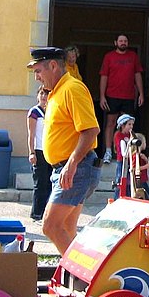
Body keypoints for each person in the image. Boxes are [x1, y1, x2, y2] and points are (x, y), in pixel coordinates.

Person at [27, 47, 102, 255]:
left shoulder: (72, 88)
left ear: (53, 65)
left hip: (76, 168)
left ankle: (82, 276)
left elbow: (91, 130)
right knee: (66, 229)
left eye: (38, 71)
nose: (37, 77)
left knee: (50, 226)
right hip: (67, 169)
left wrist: (71, 164)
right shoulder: (57, 92)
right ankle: (81, 274)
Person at [99, 33, 144, 163]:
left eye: (125, 41)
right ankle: (108, 151)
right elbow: (104, 77)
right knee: (111, 123)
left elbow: (137, 75)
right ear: (115, 43)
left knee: (128, 125)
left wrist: (141, 93)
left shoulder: (133, 57)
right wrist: (102, 96)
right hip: (112, 95)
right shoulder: (109, 57)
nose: (123, 43)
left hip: (128, 96)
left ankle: (128, 152)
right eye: (120, 41)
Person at [27, 86, 52, 221]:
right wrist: (31, 152)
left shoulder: (52, 111)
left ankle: (46, 215)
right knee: (40, 184)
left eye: (46, 94)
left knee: (50, 184)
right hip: (39, 150)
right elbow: (31, 135)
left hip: (51, 151)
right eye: (42, 94)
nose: (44, 97)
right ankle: (36, 214)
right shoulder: (34, 112)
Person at [113, 113, 135, 199]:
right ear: (122, 125)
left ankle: (128, 197)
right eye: (129, 124)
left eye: (132, 124)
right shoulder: (119, 135)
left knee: (129, 181)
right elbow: (121, 147)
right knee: (120, 179)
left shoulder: (131, 135)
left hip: (130, 160)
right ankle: (116, 198)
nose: (131, 126)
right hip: (121, 160)